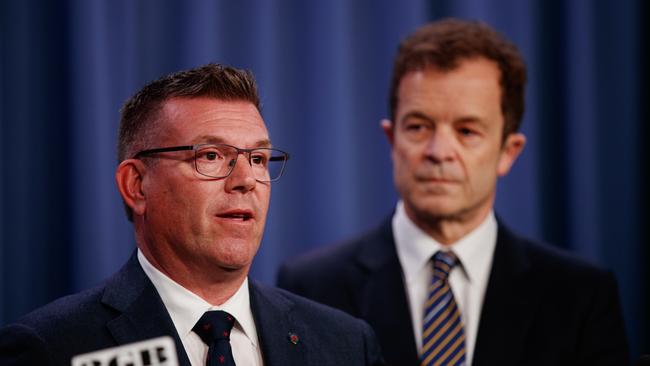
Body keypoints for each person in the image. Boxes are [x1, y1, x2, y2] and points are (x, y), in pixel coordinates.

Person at [277, 19, 629, 366]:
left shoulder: (580, 295)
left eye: (467, 131)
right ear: (392, 139)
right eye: (418, 126)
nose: (439, 151)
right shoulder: (311, 286)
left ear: (509, 151)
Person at [0, 64, 385, 366]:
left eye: (257, 158)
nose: (246, 180)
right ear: (136, 184)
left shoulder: (346, 343)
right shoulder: (51, 348)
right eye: (211, 156)